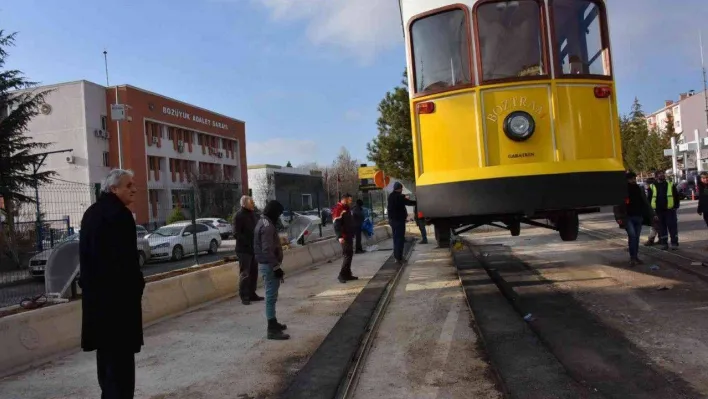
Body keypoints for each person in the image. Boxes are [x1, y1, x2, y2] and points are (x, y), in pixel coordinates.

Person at [79, 169, 145, 399]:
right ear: (114, 188)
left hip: (98, 305)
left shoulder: (92, 213)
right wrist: (137, 286)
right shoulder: (119, 215)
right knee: (122, 370)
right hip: (119, 306)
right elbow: (125, 263)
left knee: (107, 365)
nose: (134, 189)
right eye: (129, 185)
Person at [254, 200, 289, 340]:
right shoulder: (267, 226)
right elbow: (267, 249)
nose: (279, 216)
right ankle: (271, 329)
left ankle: (273, 322)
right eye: (279, 213)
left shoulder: (262, 222)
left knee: (272, 296)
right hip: (269, 265)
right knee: (270, 296)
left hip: (267, 264)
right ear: (274, 212)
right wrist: (276, 267)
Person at [613, 172, 655, 266]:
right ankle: (633, 258)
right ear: (627, 179)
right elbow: (617, 205)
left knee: (636, 238)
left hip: (638, 216)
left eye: (634, 178)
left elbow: (645, 202)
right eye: (632, 179)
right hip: (628, 217)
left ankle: (635, 257)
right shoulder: (622, 190)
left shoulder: (639, 188)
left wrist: (652, 214)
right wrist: (618, 217)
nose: (634, 180)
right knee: (632, 237)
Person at [233, 195, 262, 305]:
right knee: (245, 273)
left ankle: (252, 293)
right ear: (245, 204)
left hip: (254, 249)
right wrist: (248, 242)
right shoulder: (239, 216)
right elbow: (236, 233)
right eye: (251, 202)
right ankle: (244, 295)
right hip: (244, 250)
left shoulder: (253, 215)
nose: (253, 204)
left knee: (254, 272)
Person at [647, 170, 680, 251]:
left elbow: (676, 196)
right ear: (656, 176)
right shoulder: (652, 186)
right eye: (660, 174)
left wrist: (676, 206)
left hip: (670, 210)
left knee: (672, 227)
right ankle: (664, 243)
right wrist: (651, 211)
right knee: (662, 228)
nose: (662, 176)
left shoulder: (670, 184)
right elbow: (649, 199)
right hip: (658, 211)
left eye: (663, 174)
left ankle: (674, 243)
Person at [387, 182, 416, 264]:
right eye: (401, 189)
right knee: (400, 239)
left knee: (396, 239)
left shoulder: (390, 196)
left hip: (392, 221)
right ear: (399, 189)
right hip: (399, 221)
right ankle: (399, 258)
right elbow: (408, 202)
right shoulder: (399, 197)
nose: (402, 190)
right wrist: (417, 202)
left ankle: (397, 257)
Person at [333, 193, 358, 283]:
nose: (351, 202)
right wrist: (339, 236)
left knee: (350, 254)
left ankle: (348, 274)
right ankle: (342, 275)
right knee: (347, 255)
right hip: (344, 236)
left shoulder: (347, 209)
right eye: (349, 200)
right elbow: (336, 224)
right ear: (345, 199)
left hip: (349, 235)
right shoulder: (339, 209)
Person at [642, 177, 659, 246]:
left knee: (654, 226)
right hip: (655, 209)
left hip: (653, 210)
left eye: (646, 184)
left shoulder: (650, 190)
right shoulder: (655, 189)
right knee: (657, 225)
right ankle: (660, 239)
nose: (645, 185)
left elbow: (648, 201)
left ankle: (651, 240)